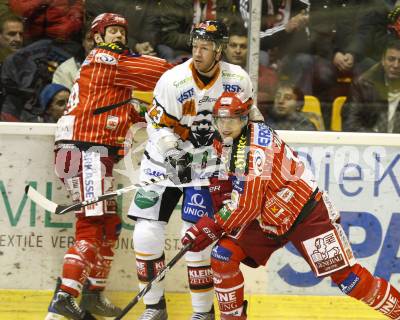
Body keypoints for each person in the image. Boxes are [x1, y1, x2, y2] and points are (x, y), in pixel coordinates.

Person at [180, 91, 400, 320]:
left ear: (245, 119)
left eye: (232, 119)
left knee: (349, 280)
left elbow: (246, 206)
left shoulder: (257, 148)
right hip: (266, 218)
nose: (225, 126)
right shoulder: (224, 140)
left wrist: (212, 224)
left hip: (306, 215)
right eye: (220, 119)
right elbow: (219, 179)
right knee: (223, 256)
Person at [127, 20, 263, 320]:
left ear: (219, 50)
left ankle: (202, 313)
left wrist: (257, 148)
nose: (198, 52)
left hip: (206, 165)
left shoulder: (237, 79)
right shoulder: (172, 80)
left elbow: (251, 118)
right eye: (195, 46)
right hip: (163, 160)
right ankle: (154, 308)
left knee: (196, 238)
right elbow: (157, 123)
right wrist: (173, 152)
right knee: (146, 235)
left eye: (205, 47)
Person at [45, 13, 171, 320]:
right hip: (84, 150)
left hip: (89, 152)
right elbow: (158, 71)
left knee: (109, 225)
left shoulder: (110, 73)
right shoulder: (105, 58)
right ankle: (66, 295)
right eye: (111, 31)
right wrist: (189, 71)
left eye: (121, 32)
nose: (118, 36)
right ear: (98, 37)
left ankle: (91, 294)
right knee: (91, 224)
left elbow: (127, 110)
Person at [342, 39, 400, 133]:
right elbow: (351, 121)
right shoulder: (363, 83)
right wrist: (376, 141)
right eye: (391, 59)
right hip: (369, 141)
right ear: (383, 60)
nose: (395, 65)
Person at [224, 22, 278, 115]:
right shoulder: (213, 73)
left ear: (252, 49)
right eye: (233, 45)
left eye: (243, 46)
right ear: (225, 48)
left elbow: (272, 103)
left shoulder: (268, 76)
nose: (238, 51)